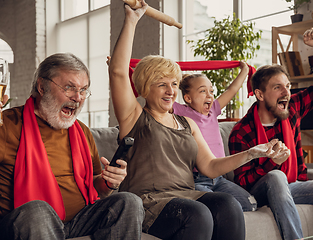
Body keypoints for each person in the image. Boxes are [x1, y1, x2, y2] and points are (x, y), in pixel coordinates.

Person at [108, 1, 290, 240]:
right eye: (161, 84)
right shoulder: (135, 117)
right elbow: (119, 72)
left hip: (186, 195)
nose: (170, 91)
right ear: (143, 88)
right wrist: (132, 19)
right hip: (150, 201)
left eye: (173, 84)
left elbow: (211, 167)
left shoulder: (187, 124)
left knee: (228, 205)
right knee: (198, 215)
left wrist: (251, 153)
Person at [228, 27, 313, 240]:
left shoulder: (292, 109)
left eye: (288, 86)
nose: (287, 93)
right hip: (261, 191)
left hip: (295, 187)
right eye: (278, 87)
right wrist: (271, 162)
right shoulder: (241, 132)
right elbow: (243, 184)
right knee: (276, 176)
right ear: (260, 94)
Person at [0, 53, 144, 240]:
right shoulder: (7, 125)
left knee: (129, 201)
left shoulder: (81, 131)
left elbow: (95, 184)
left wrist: (109, 182)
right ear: (42, 87)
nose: (78, 97)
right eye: (69, 88)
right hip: (26, 221)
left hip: (79, 220)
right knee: (38, 210)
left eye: (83, 90)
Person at [172, 65, 257, 211]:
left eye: (211, 91)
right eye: (203, 91)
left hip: (219, 178)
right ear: (188, 98)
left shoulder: (213, 110)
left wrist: (244, 70)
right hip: (196, 179)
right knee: (216, 207)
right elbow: (158, 97)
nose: (209, 95)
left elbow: (232, 90)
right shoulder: (181, 112)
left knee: (251, 204)